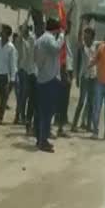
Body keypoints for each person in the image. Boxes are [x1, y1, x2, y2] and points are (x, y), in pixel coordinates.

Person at [33, 18, 65, 152]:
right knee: (48, 112)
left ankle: (39, 138)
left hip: (41, 77)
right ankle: (43, 140)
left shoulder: (40, 39)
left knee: (41, 111)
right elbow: (57, 48)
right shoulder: (49, 39)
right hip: (49, 78)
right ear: (56, 29)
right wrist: (62, 35)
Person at [71, 27, 97, 132]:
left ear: (92, 37)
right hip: (85, 77)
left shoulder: (96, 45)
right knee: (81, 102)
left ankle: (88, 125)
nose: (86, 38)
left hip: (93, 77)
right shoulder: (82, 47)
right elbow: (78, 62)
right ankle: (74, 124)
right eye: (85, 36)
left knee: (91, 102)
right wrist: (77, 77)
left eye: (88, 36)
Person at [55, 36, 74, 138]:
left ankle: (60, 127)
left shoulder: (67, 40)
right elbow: (61, 59)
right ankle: (56, 126)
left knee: (64, 102)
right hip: (61, 72)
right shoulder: (59, 40)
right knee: (58, 101)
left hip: (66, 71)